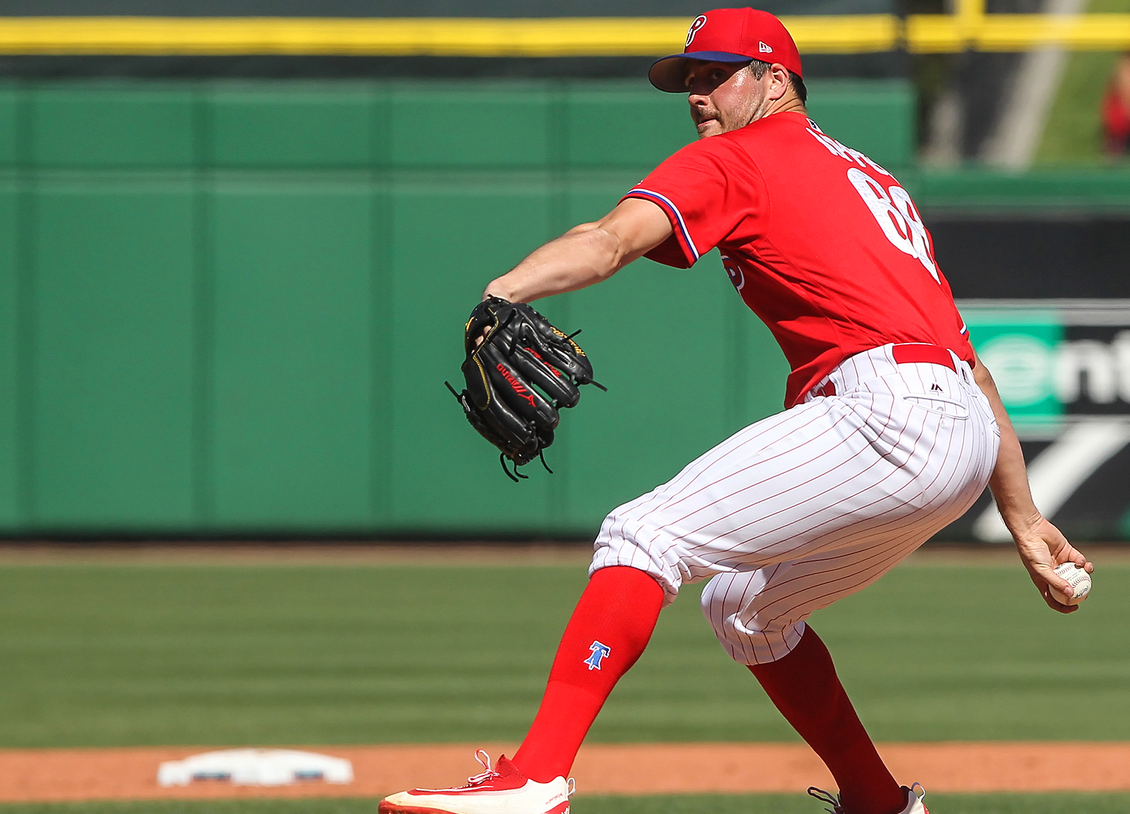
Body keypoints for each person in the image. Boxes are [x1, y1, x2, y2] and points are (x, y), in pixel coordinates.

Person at [379, 8, 1092, 814]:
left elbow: (610, 240)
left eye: (717, 74)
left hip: (890, 412)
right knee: (745, 608)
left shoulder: (742, 157)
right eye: (689, 80)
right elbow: (975, 368)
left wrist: (501, 291)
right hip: (955, 428)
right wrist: (1023, 515)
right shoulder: (869, 176)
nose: (697, 95)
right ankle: (879, 802)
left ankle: (536, 777)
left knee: (642, 534)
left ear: (775, 79)